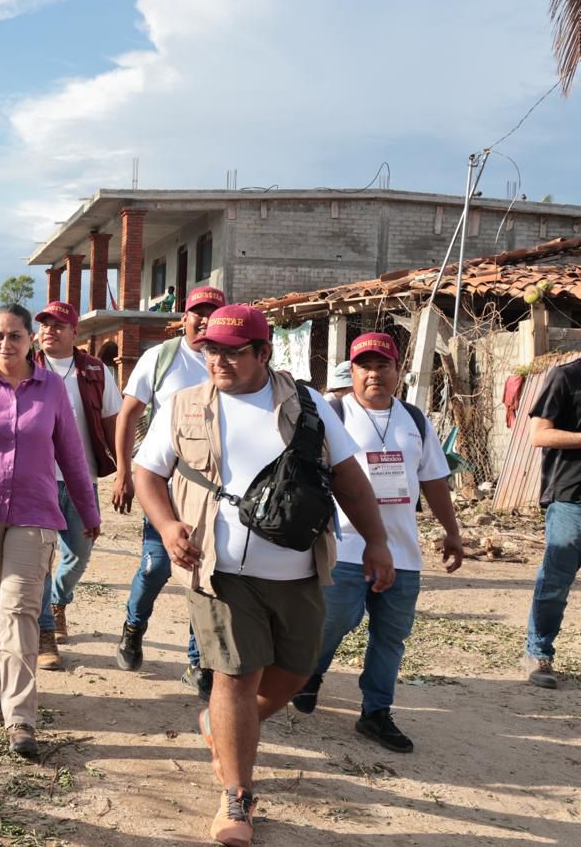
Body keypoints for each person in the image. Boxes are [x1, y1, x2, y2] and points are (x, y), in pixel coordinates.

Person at [132, 304, 392, 847]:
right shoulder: (182, 406)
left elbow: (349, 479)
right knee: (234, 676)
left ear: (263, 352)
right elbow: (147, 472)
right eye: (211, 350)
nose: (219, 361)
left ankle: (222, 727)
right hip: (219, 569)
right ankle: (237, 795)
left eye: (233, 352)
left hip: (297, 568)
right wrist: (168, 523)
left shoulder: (308, 405)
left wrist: (377, 541)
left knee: (296, 670)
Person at [0, 303, 101, 758]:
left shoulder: (51, 390)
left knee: (19, 609)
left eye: (14, 336)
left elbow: (72, 455)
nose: (5, 344)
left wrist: (88, 512)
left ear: (30, 340)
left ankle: (21, 717)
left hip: (35, 513)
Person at [291, 333, 463, 753]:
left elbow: (434, 480)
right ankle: (311, 672)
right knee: (335, 620)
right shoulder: (334, 413)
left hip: (403, 551)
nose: (374, 374)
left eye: (382, 365)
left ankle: (376, 713)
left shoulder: (414, 420)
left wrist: (452, 531)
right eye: (364, 366)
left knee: (391, 636)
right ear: (351, 372)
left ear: (397, 370)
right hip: (345, 545)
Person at [111, 285, 226, 698]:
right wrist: (124, 472)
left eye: (213, 313)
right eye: (198, 312)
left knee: (204, 573)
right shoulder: (161, 358)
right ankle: (133, 626)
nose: (205, 320)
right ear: (184, 317)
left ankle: (198, 661)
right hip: (161, 483)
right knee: (156, 566)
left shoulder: (229, 362)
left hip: (212, 490)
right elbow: (127, 415)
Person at [31, 300, 121, 671]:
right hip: (36, 480)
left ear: (75, 333)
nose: (49, 330)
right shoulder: (27, 366)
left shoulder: (96, 371)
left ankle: (58, 600)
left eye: (58, 325)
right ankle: (45, 633)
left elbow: (113, 420)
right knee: (39, 558)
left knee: (79, 553)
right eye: (44, 324)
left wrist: (123, 470)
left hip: (82, 479)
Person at [522, 356, 581, 689]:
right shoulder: (566, 376)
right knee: (556, 582)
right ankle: (539, 653)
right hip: (571, 496)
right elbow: (539, 435)